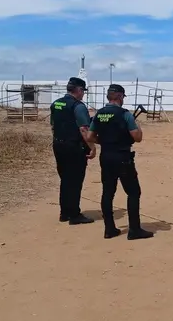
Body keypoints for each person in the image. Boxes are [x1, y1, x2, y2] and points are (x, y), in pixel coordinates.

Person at [86, 84, 154, 240]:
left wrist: (104, 141)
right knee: (133, 192)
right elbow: (137, 137)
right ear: (119, 96)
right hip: (123, 157)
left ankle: (109, 229)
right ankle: (134, 229)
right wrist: (137, 126)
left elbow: (89, 136)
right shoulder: (125, 114)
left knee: (108, 193)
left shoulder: (99, 114)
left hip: (106, 157)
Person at [50, 77, 96, 225]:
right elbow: (84, 129)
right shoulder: (78, 106)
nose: (83, 94)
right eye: (83, 91)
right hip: (74, 147)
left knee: (65, 179)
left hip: (58, 144)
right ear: (79, 90)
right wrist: (92, 147)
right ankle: (74, 215)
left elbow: (53, 125)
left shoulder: (56, 103)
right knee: (75, 181)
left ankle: (64, 213)